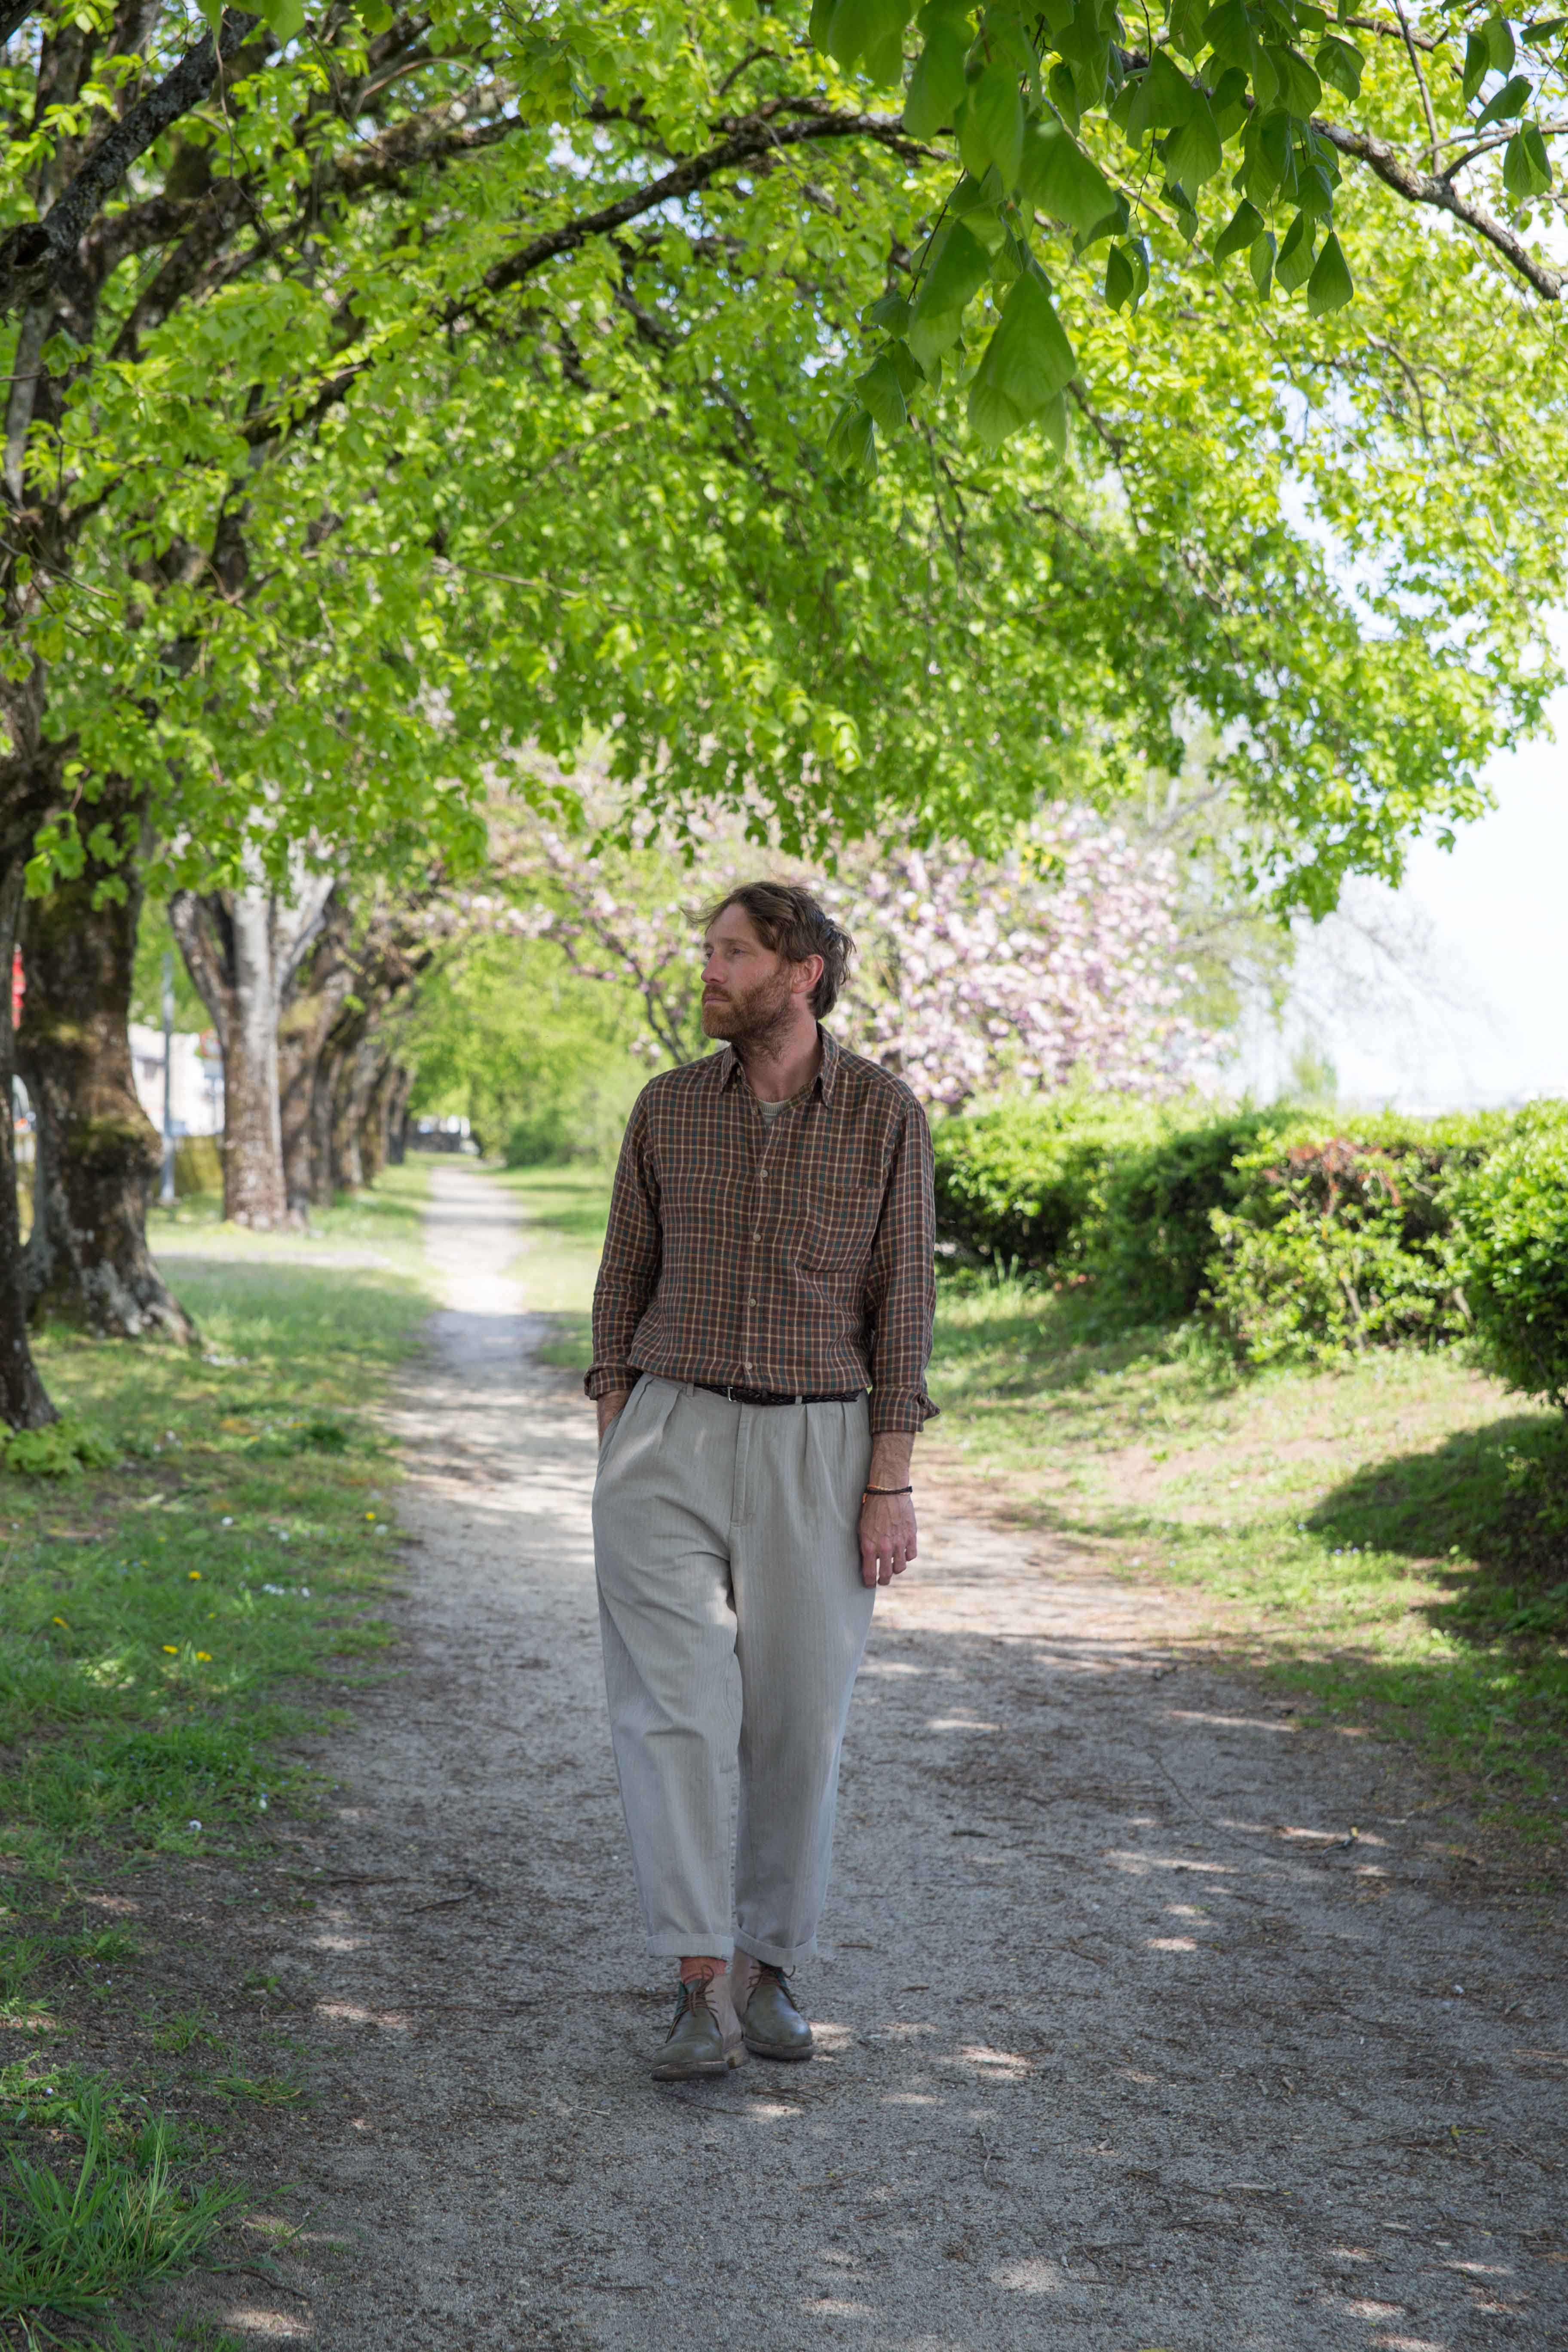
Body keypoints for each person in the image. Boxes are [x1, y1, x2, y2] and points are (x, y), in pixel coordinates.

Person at [587, 880, 937, 2080]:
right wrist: (617, 1430)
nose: (710, 970)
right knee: (671, 1711)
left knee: (797, 1723)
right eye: (708, 950)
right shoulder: (668, 1109)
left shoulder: (886, 1115)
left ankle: (770, 1968)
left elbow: (905, 1313)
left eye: (734, 953)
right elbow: (621, 1273)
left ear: (803, 974)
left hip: (818, 1446)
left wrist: (886, 1479)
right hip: (669, 1434)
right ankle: (694, 1983)